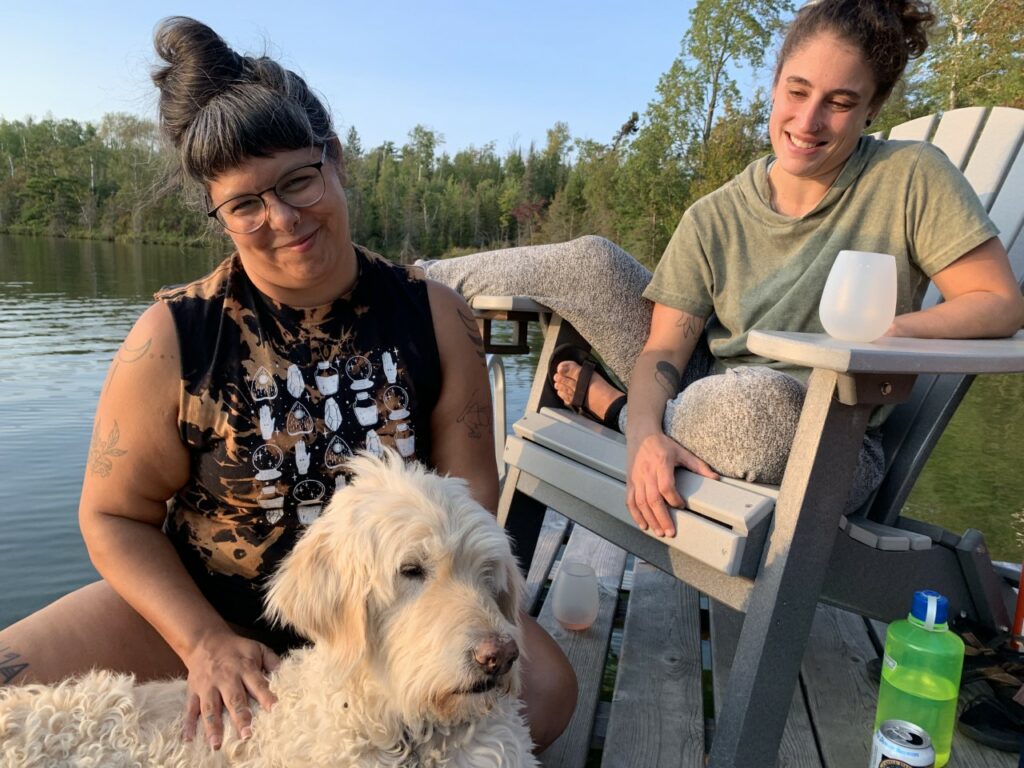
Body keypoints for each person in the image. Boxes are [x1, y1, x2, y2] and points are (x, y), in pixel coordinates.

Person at [0, 16, 576, 754]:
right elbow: (112, 517)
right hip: (209, 602)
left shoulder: (435, 315)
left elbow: (469, 494)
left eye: (298, 180)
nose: (282, 218)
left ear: (333, 159)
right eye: (245, 204)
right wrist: (202, 640)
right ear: (218, 214)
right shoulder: (172, 337)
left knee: (549, 697)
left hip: (393, 600)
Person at [422, 0, 1024, 539]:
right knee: (589, 261)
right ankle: (405, 279)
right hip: (703, 392)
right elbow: (663, 351)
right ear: (774, 83)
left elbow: (999, 301)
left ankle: (611, 405)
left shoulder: (911, 176)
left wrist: (896, 333)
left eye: (839, 103)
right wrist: (646, 437)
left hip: (827, 434)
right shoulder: (717, 214)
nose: (808, 121)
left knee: (739, 408)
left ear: (873, 107)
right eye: (797, 90)